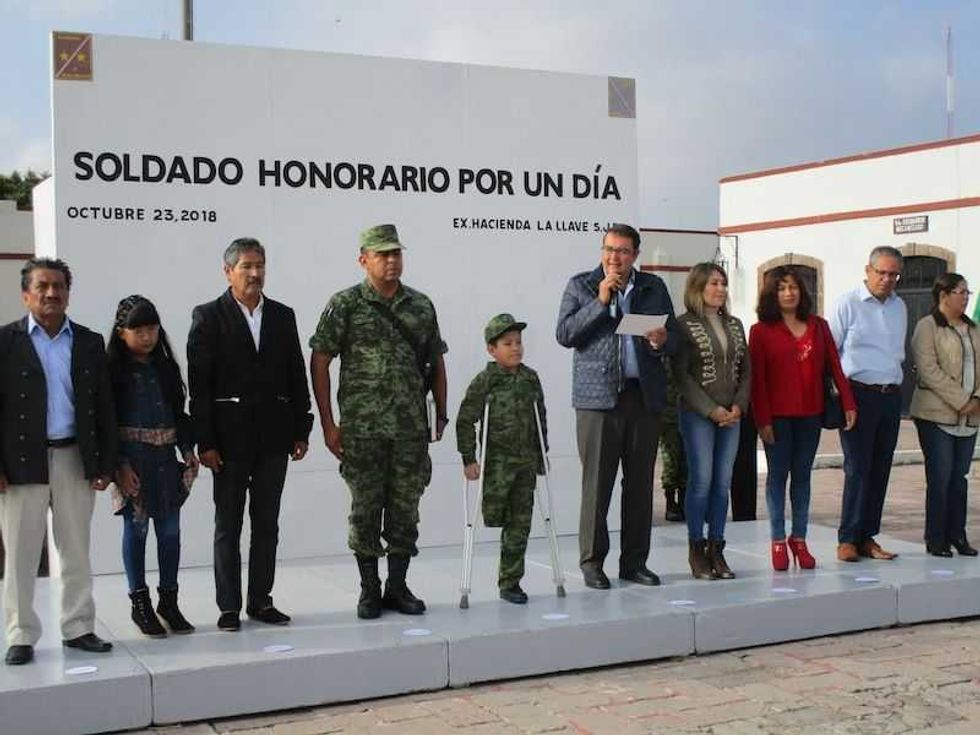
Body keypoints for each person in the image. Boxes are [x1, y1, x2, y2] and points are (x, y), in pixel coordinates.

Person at [310, 224, 448, 619]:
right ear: (363, 260)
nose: (391, 260)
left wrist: (439, 412)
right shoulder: (346, 304)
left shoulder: (421, 305)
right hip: (362, 431)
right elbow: (320, 359)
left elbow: (435, 359)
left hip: (409, 430)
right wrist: (329, 423)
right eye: (382, 254)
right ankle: (369, 588)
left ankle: (397, 586)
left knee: (406, 508)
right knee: (365, 509)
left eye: (396, 253)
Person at [188, 238, 312, 632]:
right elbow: (200, 385)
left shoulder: (282, 315)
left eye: (260, 265)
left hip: (275, 438)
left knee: (267, 523)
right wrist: (204, 441)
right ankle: (229, 606)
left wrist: (301, 427)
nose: (255, 273)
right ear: (228, 271)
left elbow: (296, 372)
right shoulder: (208, 316)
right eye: (246, 266)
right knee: (228, 525)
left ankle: (261, 600)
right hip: (228, 442)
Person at [0, 258, 116, 666]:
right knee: (20, 553)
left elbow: (103, 405)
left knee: (76, 549)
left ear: (68, 293)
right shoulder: (5, 341)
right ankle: (21, 634)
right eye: (43, 286)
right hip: (20, 462)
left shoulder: (87, 341)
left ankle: (78, 627)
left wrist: (105, 462)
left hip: (74, 457)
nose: (52, 294)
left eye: (59, 287)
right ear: (26, 294)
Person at [556, 223, 677, 589]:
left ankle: (634, 562)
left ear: (635, 255)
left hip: (643, 398)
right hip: (597, 402)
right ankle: (592, 562)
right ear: (601, 251)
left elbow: (674, 339)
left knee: (639, 485)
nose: (615, 257)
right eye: (609, 249)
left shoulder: (653, 287)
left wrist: (660, 340)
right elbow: (565, 334)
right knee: (597, 485)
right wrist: (601, 301)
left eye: (623, 251)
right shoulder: (581, 285)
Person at [749, 266, 856, 571]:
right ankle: (778, 540)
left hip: (811, 414)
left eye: (794, 287)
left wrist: (848, 402)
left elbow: (835, 367)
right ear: (772, 293)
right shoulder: (760, 331)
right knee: (777, 478)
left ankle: (800, 538)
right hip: (777, 418)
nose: (789, 293)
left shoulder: (818, 326)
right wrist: (763, 420)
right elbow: (758, 381)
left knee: (803, 478)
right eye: (782, 288)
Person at [108, 296, 199, 636]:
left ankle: (169, 601)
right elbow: (108, 421)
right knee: (136, 529)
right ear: (121, 333)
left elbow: (179, 413)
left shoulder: (166, 368)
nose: (147, 337)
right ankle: (139, 603)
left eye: (152, 329)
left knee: (170, 532)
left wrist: (187, 448)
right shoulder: (113, 372)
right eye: (139, 330)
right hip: (133, 461)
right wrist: (118, 464)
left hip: (165, 461)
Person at [456, 314, 547, 604]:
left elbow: (540, 417)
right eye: (508, 343)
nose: (516, 348)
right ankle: (504, 577)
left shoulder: (530, 378)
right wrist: (469, 458)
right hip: (496, 465)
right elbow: (465, 420)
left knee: (520, 524)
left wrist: (541, 454)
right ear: (492, 350)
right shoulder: (485, 381)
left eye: (519, 342)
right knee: (495, 518)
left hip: (525, 464)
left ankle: (510, 582)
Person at [829, 246, 907, 562]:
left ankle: (867, 537)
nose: (887, 279)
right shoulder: (847, 304)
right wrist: (840, 397)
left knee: (880, 469)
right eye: (882, 272)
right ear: (868, 270)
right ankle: (847, 537)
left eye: (893, 274)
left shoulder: (900, 306)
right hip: (858, 395)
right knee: (858, 468)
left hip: (891, 397)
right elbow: (830, 353)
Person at [673, 263, 750, 580]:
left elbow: (747, 370)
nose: (720, 289)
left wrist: (739, 406)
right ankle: (696, 548)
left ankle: (717, 549)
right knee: (701, 482)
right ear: (698, 288)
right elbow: (681, 375)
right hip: (698, 415)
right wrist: (709, 409)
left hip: (732, 414)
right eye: (713, 283)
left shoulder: (735, 324)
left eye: (723, 283)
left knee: (722, 483)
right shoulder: (683, 325)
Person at [909, 273, 980, 557]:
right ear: (944, 295)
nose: (965, 297)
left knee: (959, 478)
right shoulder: (927, 327)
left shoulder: (973, 329)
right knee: (940, 477)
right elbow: (929, 370)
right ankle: (936, 537)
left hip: (971, 416)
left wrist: (976, 399)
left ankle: (958, 535)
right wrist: (962, 400)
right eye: (961, 292)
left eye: (967, 293)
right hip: (936, 415)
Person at [659, 362, 687, 523]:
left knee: (687, 461)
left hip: (686, 411)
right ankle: (670, 503)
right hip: (668, 414)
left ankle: (684, 503)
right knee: (671, 460)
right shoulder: (664, 352)